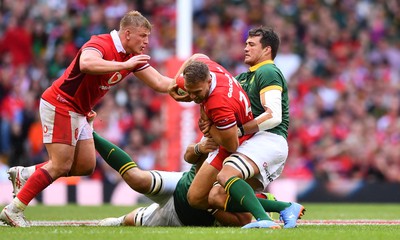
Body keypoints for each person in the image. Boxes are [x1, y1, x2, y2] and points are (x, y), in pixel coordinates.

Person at [0, 10, 184, 227]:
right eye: (143, 36)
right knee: (60, 165)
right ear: (127, 34)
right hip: (61, 103)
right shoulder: (102, 43)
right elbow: (86, 63)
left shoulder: (130, 56)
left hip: (80, 110)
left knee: (86, 165)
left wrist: (181, 87)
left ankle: (26, 173)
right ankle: (13, 210)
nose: (146, 41)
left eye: (148, 37)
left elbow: (160, 82)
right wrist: (124, 66)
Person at [170, 51, 304, 229]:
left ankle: (266, 215)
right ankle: (273, 206)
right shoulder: (207, 70)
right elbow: (198, 56)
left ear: (208, 81)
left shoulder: (218, 104)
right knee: (207, 197)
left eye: (197, 92)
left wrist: (209, 127)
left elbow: (232, 144)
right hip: (240, 136)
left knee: (200, 196)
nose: (193, 97)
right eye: (190, 92)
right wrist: (174, 82)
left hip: (238, 142)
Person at [93, 131, 255, 227]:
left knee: (131, 221)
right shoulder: (217, 135)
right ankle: (90, 133)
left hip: (182, 219)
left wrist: (210, 205)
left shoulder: (246, 161)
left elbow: (244, 219)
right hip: (179, 183)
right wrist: (199, 147)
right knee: (137, 179)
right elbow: (188, 155)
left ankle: (120, 220)